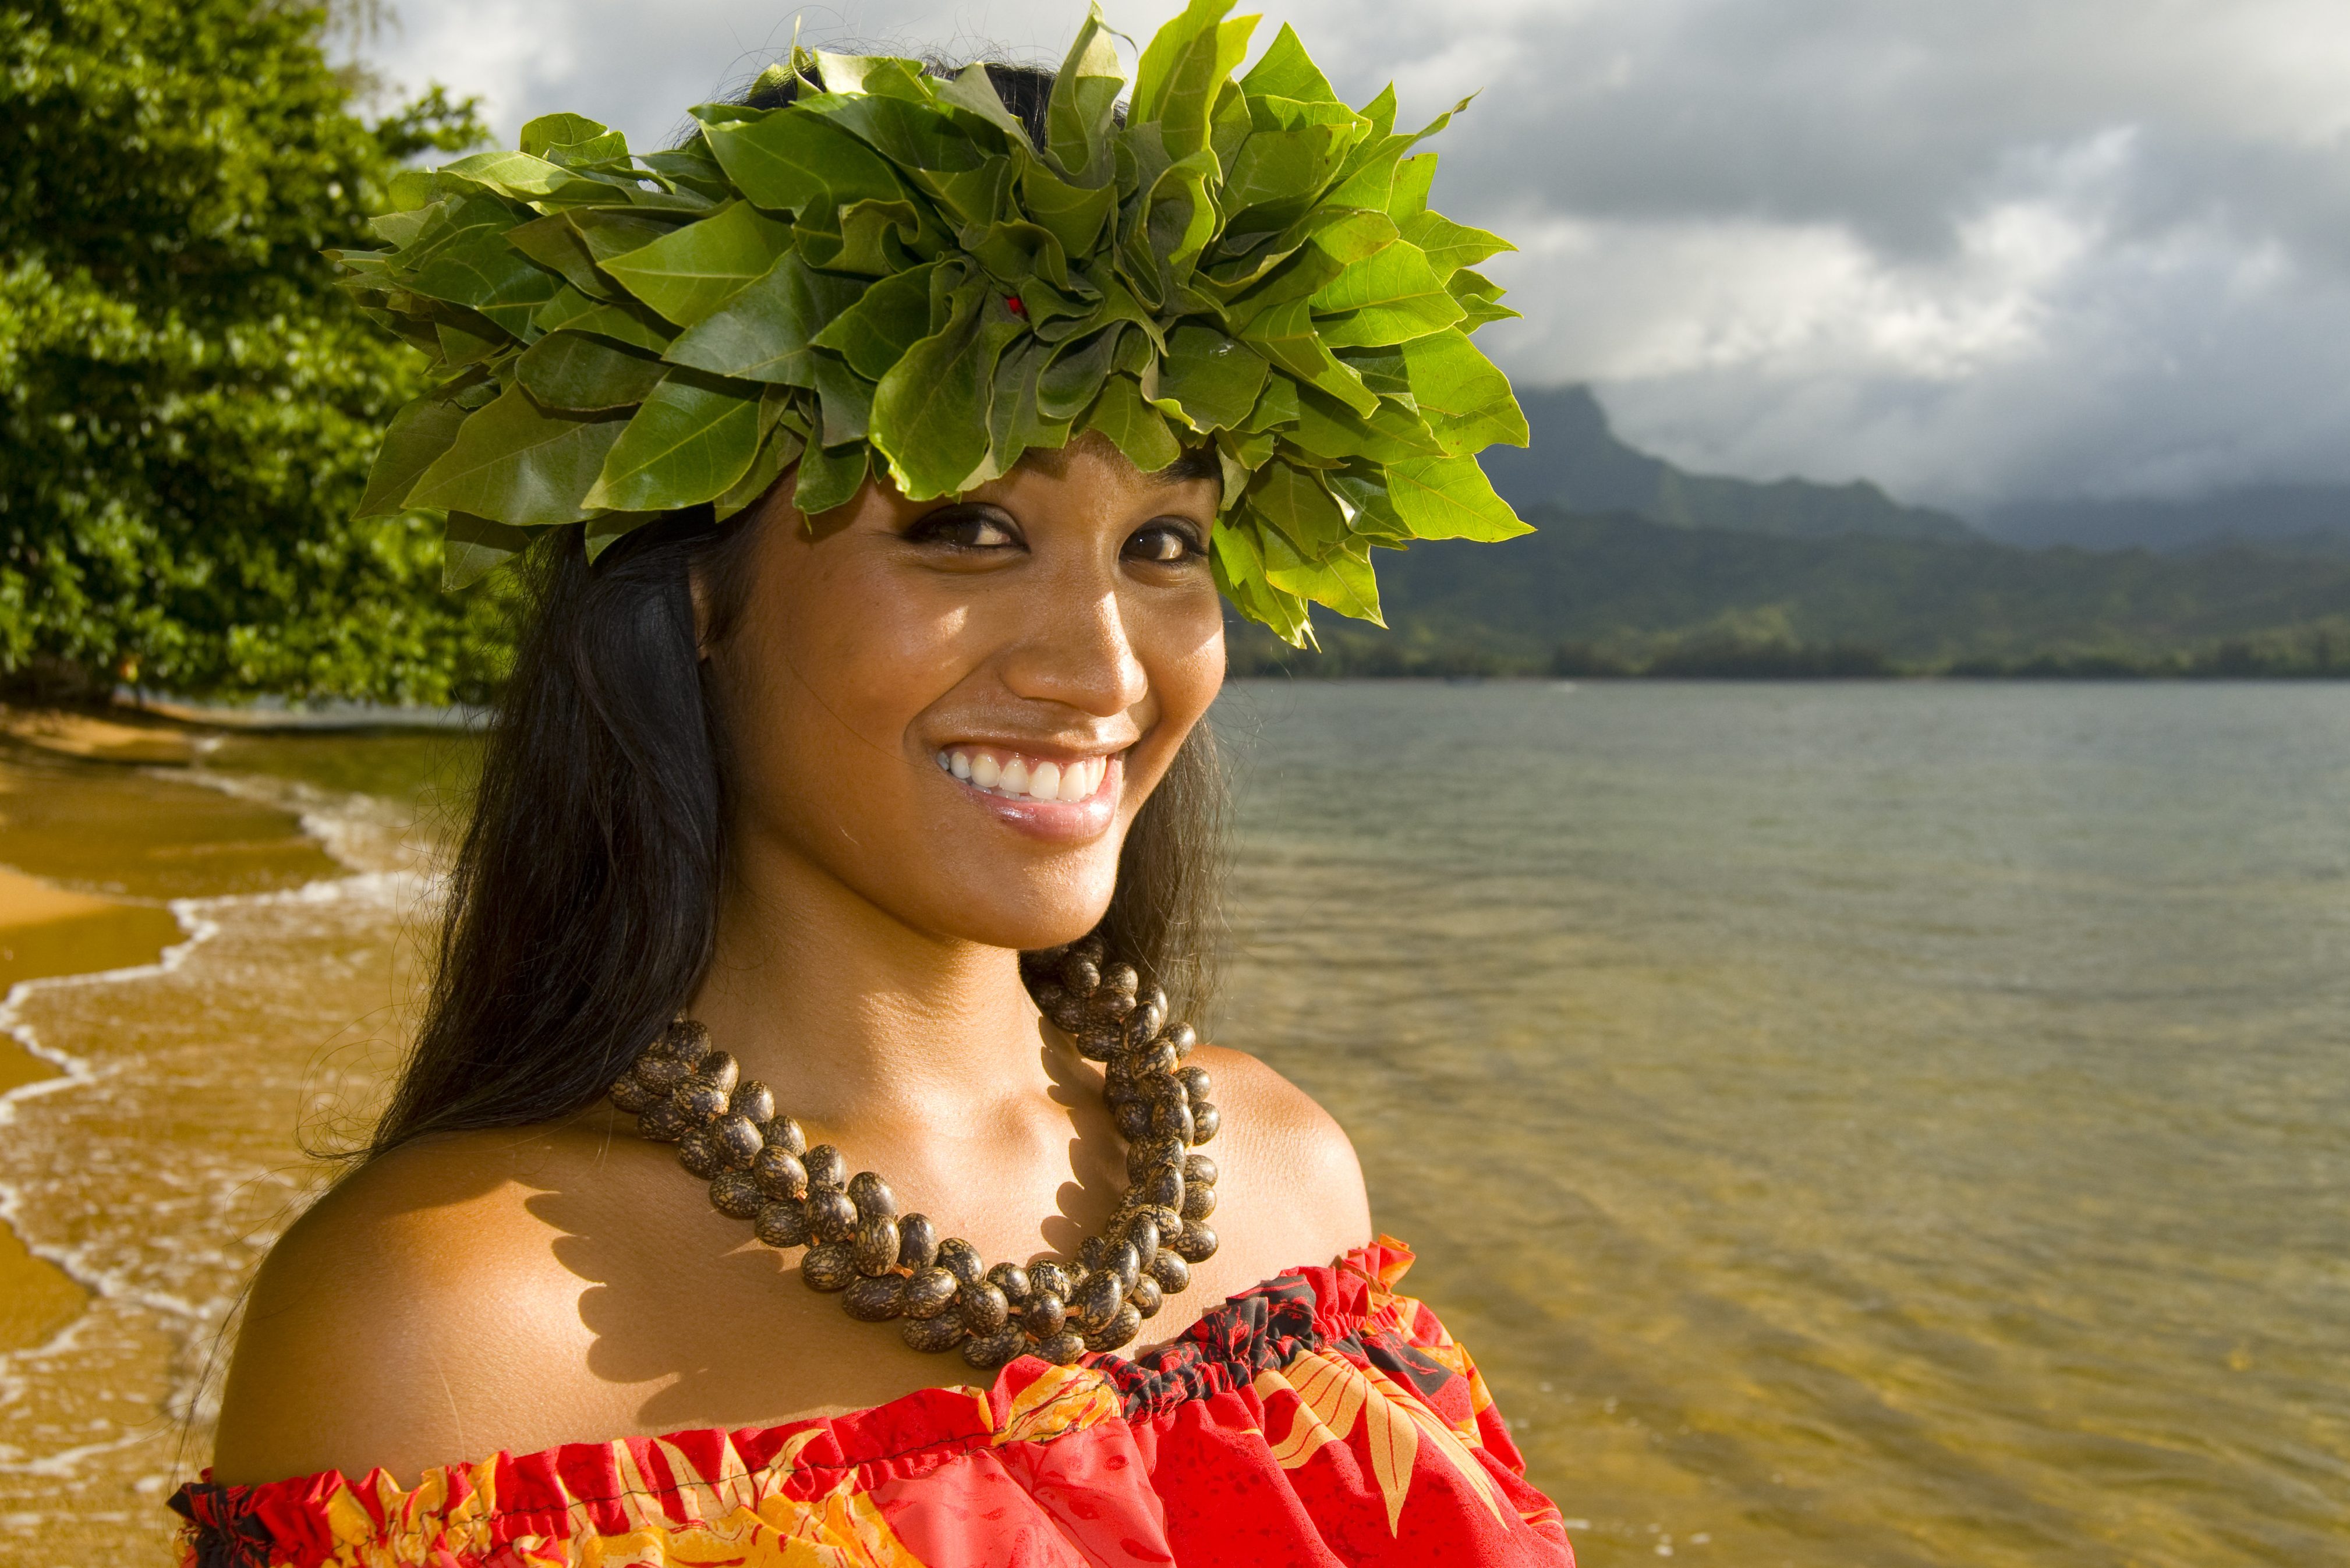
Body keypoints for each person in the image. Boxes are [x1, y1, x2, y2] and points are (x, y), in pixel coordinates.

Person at [174, 6, 1570, 1563]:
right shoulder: (442, 1325)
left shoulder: (1291, 1180)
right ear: (695, 592)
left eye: (1162, 546)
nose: (1104, 671)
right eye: (966, 529)